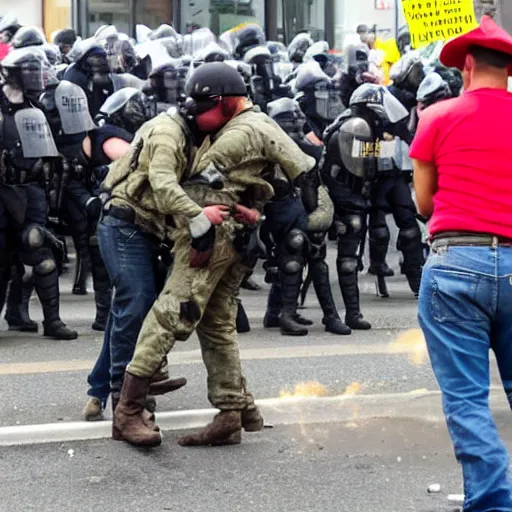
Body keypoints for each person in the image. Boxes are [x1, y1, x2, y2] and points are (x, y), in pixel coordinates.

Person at [112, 62, 316, 448]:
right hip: (235, 233)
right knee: (217, 324)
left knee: (170, 312)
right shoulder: (261, 122)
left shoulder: (236, 135)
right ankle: (232, 411)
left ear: (223, 102)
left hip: (210, 234)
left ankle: (127, 409)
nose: (198, 113)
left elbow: (200, 187)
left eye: (204, 104)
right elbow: (303, 172)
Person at [412, 16, 512, 510]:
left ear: (467, 66)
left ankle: (493, 504)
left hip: (455, 262)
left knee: (468, 399)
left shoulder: (438, 117)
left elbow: (425, 203)